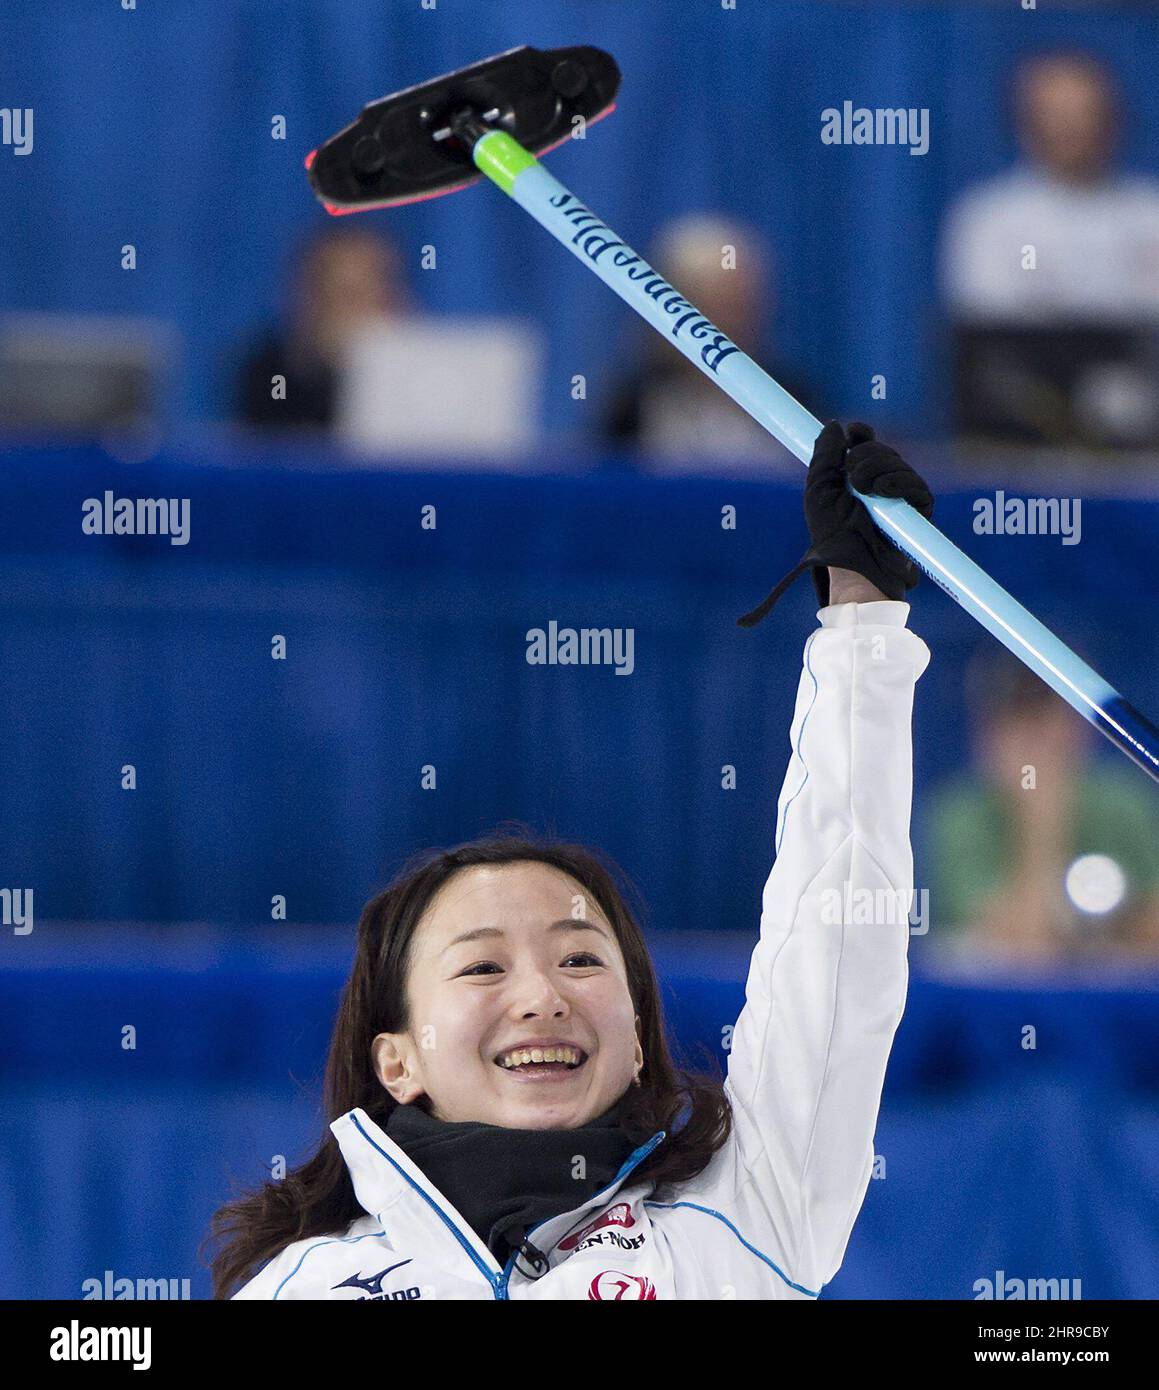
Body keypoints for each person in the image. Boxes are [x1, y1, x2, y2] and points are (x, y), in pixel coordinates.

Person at [207, 423, 934, 1300]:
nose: (541, 997)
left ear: (636, 1041)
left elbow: (838, 927)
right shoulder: (306, 1285)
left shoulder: (745, 1213)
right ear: (396, 1061)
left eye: (580, 958)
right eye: (481, 965)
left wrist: (860, 617)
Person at [928, 650, 1159, 960]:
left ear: (1079, 731)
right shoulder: (960, 816)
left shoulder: (1123, 802)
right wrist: (1041, 819)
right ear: (986, 738)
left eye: (1046, 720)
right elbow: (1022, 944)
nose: (1035, 743)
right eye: (1018, 724)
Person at [235, 225, 412, 429]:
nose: (353, 311)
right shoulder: (271, 373)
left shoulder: (427, 375)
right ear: (310, 297)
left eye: (364, 293)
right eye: (340, 294)